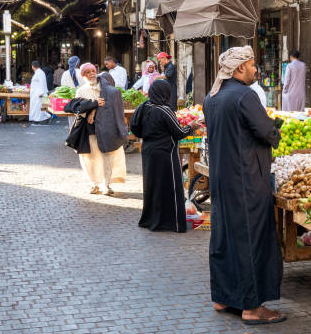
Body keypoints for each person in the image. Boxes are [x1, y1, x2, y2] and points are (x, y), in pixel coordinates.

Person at [204, 46, 285, 325]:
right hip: (246, 180)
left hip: (221, 179)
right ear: (239, 69)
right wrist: (276, 126)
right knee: (252, 240)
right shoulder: (245, 96)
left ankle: (223, 297)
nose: (254, 70)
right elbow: (266, 132)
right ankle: (251, 308)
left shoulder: (211, 97)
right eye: (251, 65)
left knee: (225, 236)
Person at [130, 80, 201, 232]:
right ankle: (172, 222)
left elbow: (134, 127)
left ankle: (150, 220)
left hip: (148, 150)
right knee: (170, 187)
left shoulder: (144, 107)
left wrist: (147, 136)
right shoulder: (164, 110)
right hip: (165, 154)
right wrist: (192, 126)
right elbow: (179, 133)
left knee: (152, 186)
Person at [67, 63, 127, 195]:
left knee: (107, 156)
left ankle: (106, 184)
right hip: (90, 130)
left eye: (93, 71)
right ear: (83, 75)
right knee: (91, 158)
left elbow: (110, 104)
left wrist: (95, 111)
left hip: (106, 127)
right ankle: (93, 184)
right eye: (87, 72)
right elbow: (78, 109)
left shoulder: (105, 88)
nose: (91, 74)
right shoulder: (81, 91)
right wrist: (90, 110)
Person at [61, 56, 85, 127]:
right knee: (82, 118)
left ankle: (72, 133)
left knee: (71, 119)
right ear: (78, 63)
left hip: (69, 100)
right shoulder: (82, 73)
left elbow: (63, 87)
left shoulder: (65, 74)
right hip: (82, 100)